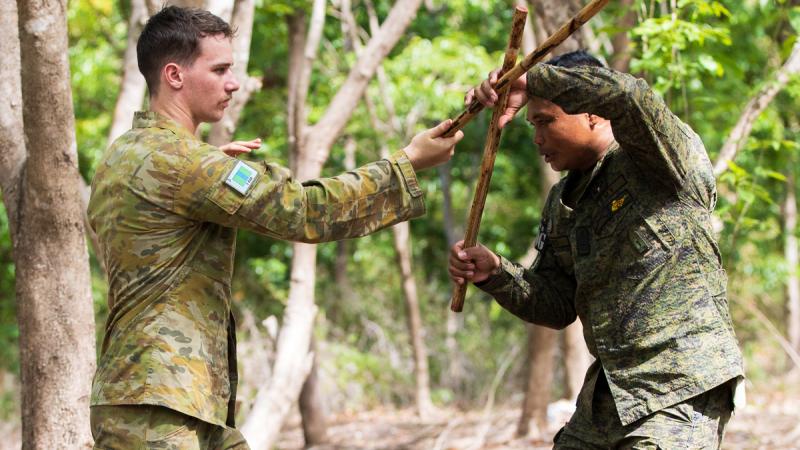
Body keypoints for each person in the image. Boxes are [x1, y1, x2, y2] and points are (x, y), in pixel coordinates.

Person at [88, 6, 463, 449]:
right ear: (174, 75)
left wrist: (209, 171)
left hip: (158, 397)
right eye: (221, 69)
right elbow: (302, 210)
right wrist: (405, 165)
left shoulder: (126, 153)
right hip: (160, 406)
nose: (234, 82)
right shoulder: (182, 162)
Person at [448, 50, 744, 449]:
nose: (537, 138)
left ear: (592, 113)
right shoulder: (563, 199)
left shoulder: (658, 159)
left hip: (679, 389)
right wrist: (496, 273)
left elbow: (629, 97)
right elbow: (556, 304)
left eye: (546, 121)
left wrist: (532, 80)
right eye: (533, 124)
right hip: (608, 395)